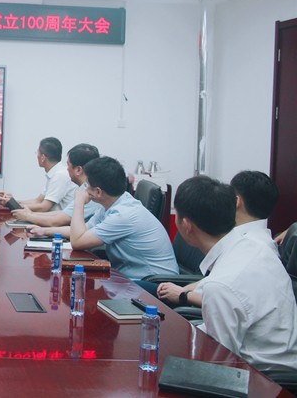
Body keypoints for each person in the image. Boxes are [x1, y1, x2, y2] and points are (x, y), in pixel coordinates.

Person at [167, 175, 296, 371]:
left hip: (262, 377)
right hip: (272, 358)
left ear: (186, 225)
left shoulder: (221, 285)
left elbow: (220, 368)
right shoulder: (253, 246)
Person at [33, 156, 177, 281]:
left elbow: (77, 241)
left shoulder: (123, 215)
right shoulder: (113, 204)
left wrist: (79, 202)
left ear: (98, 192)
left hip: (154, 283)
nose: (84, 190)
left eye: (87, 185)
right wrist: (43, 231)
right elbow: (82, 231)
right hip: (130, 276)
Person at [157, 170, 281, 308]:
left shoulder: (253, 248)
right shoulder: (243, 238)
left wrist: (184, 295)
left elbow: (226, 295)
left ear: (236, 201)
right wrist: (183, 291)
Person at [11, 143, 102, 226]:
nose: (67, 169)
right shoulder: (83, 188)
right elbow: (63, 213)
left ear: (78, 170)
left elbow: (56, 220)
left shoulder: (90, 194)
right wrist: (29, 214)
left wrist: (28, 216)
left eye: (68, 165)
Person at [0, 137, 77, 213]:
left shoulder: (59, 176)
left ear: (43, 157)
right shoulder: (55, 174)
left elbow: (44, 207)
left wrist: (11, 205)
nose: (37, 156)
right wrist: (11, 201)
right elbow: (38, 201)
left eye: (37, 153)